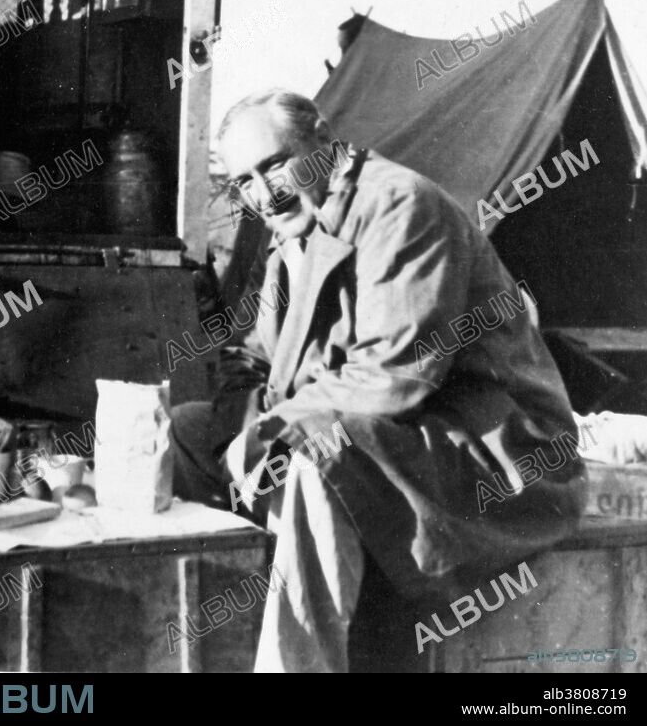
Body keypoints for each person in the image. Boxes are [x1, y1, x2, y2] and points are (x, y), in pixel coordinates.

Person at [170, 89, 586, 673]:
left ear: (322, 139)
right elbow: (268, 358)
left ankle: (300, 663)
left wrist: (268, 430)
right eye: (245, 181)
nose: (264, 194)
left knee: (316, 449)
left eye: (275, 165)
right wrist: (240, 410)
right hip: (396, 437)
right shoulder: (296, 229)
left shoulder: (400, 206)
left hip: (494, 451)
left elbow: (395, 374)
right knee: (189, 431)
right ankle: (234, 645)